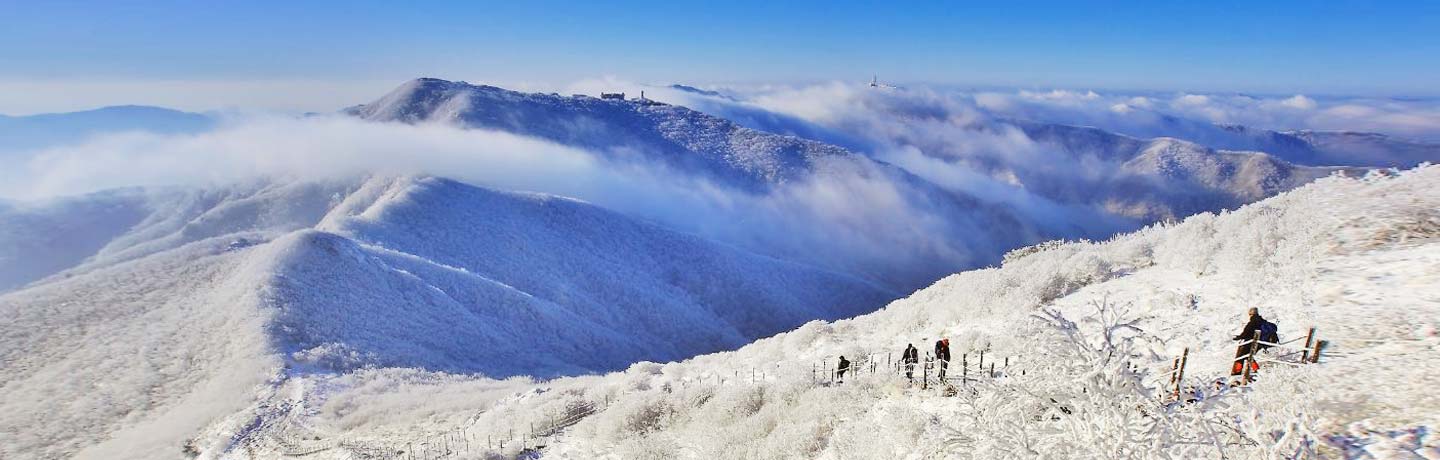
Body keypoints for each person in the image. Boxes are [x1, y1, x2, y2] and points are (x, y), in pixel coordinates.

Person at [1230, 307, 1276, 376]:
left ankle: (1237, 372)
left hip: (1253, 342)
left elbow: (1246, 332)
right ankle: (1256, 369)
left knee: (1241, 356)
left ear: (1250, 314)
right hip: (1261, 343)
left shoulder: (1253, 322)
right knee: (1249, 355)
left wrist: (1238, 337)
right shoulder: (1262, 321)